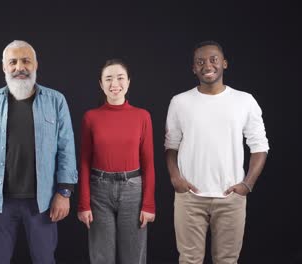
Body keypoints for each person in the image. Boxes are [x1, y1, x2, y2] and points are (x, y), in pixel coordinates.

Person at [0, 40, 78, 264]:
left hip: (43, 202)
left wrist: (65, 192)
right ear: (4, 67)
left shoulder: (56, 101)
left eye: (26, 61)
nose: (20, 67)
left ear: (36, 64)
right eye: (13, 62)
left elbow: (66, 147)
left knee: (44, 260)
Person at [165, 41, 269, 263]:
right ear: (194, 68)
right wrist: (176, 178)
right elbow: (171, 146)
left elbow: (260, 147)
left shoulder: (244, 101)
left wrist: (247, 185)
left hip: (230, 197)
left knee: (227, 260)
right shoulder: (180, 102)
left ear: (224, 63)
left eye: (213, 59)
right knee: (189, 259)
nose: (207, 65)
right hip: (190, 197)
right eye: (200, 62)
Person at [77, 59, 156, 264]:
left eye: (120, 78)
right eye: (108, 79)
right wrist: (83, 204)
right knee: (101, 256)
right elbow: (84, 162)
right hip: (99, 190)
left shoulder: (142, 116)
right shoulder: (91, 117)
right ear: (101, 84)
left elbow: (148, 163)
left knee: (134, 256)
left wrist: (149, 204)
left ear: (128, 82)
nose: (115, 84)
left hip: (133, 190)